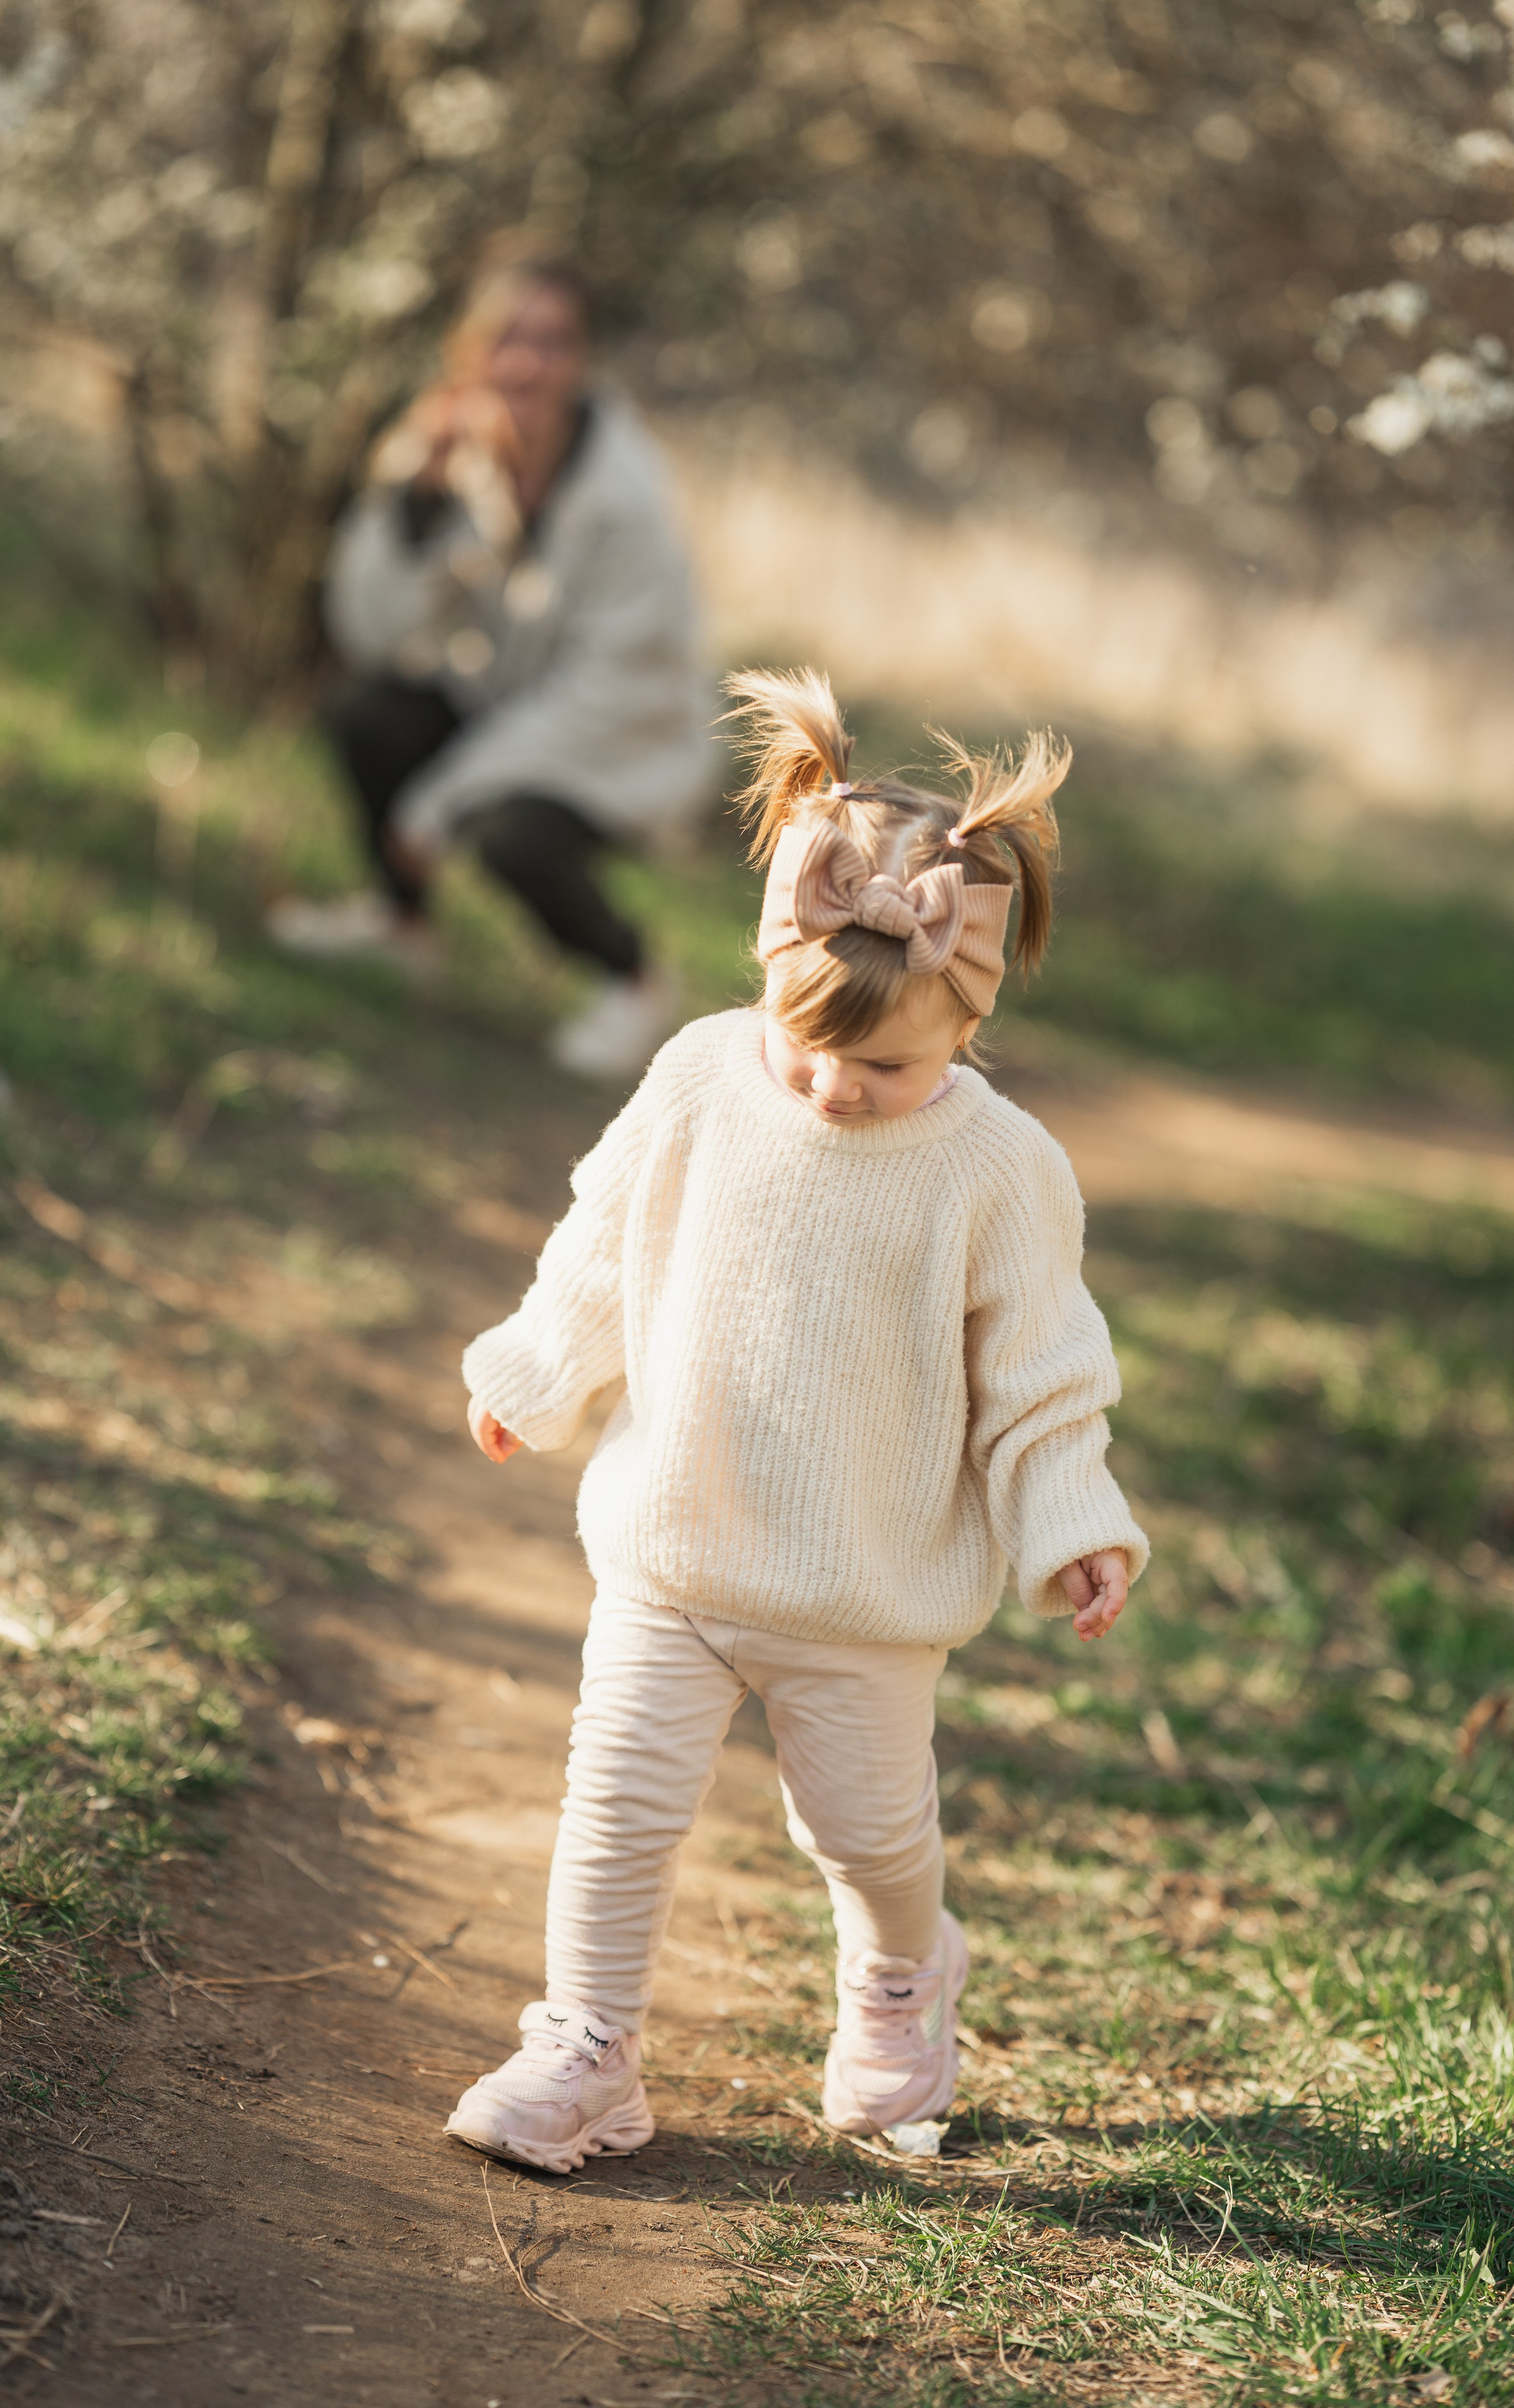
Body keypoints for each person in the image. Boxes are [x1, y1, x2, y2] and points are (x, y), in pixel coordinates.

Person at [443, 668, 1149, 2174]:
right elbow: (606, 1238)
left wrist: (1071, 1521)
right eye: (804, 1044)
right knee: (614, 1804)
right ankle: (585, 2047)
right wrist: (538, 1367)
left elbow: (1041, 1373)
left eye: (885, 1066)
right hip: (673, 1548)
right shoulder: (699, 1078)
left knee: (864, 1839)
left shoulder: (998, 1172)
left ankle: (902, 1973)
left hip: (862, 1594)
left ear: (968, 1017)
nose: (831, 1089)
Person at [269, 252, 712, 1080]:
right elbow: (369, 631)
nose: (527, 364)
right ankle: (402, 927)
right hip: (506, 705)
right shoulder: (445, 454)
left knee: (516, 841)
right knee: (368, 715)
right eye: (506, 338)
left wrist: (438, 802)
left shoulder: (628, 498)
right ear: (466, 351)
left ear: (581, 360)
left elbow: (601, 694)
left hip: (617, 737)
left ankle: (634, 977)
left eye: (553, 342)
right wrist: (418, 505)